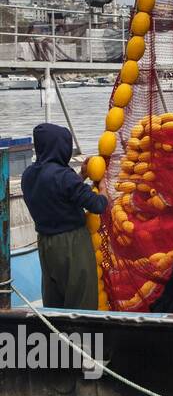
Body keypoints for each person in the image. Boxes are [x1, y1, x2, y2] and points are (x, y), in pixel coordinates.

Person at [20, 123, 108, 310]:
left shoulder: (28, 175)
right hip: (72, 245)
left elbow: (58, 191)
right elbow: (97, 205)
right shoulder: (64, 176)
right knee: (81, 300)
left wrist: (82, 175)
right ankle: (80, 338)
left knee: (55, 301)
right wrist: (103, 189)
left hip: (46, 245)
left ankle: (56, 337)